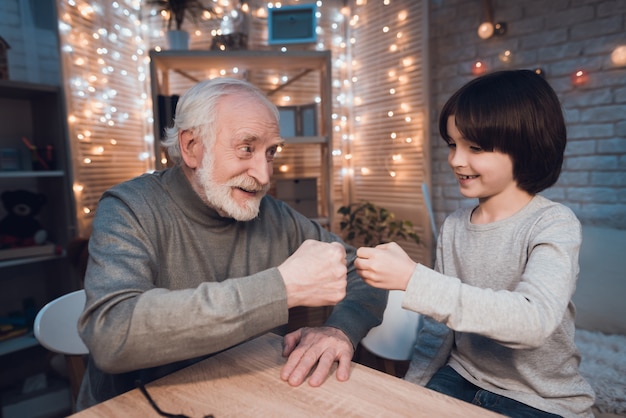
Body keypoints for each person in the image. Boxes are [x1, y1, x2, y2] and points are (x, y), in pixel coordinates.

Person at [76, 77, 387, 410]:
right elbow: (111, 333)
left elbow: (366, 272)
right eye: (246, 148)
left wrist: (340, 330)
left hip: (247, 397)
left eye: (270, 153)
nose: (264, 175)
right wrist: (282, 289)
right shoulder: (129, 208)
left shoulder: (275, 216)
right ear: (192, 147)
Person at [354, 70, 595, 418]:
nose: (456, 160)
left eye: (475, 148)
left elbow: (534, 321)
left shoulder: (554, 223)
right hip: (462, 376)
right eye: (453, 144)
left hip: (538, 398)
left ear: (525, 147)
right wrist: (410, 390)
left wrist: (413, 279)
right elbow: (438, 330)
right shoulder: (454, 225)